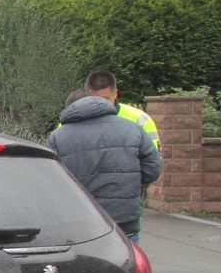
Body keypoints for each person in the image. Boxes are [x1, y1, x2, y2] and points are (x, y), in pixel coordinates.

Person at [46, 90, 162, 243]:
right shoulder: (132, 128)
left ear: (69, 109)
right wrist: (129, 180)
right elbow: (152, 171)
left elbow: (51, 180)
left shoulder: (58, 137)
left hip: (80, 222)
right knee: (128, 264)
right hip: (124, 220)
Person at [85, 71, 160, 151]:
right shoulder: (80, 119)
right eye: (95, 99)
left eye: (105, 99)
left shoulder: (140, 119)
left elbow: (153, 157)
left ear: (115, 94)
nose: (100, 104)